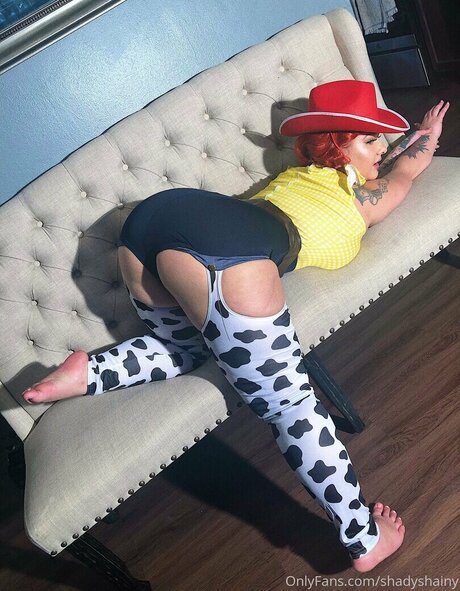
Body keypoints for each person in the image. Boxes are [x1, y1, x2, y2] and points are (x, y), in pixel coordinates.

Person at [21, 80, 449, 572]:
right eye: (371, 140)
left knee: (190, 346)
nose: (383, 150)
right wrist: (424, 142)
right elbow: (405, 172)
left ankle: (91, 373)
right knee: (289, 404)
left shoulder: (297, 179)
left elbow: (393, 158)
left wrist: (419, 134)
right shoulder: (359, 200)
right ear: (338, 148)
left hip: (150, 224)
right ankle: (363, 537)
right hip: (228, 245)